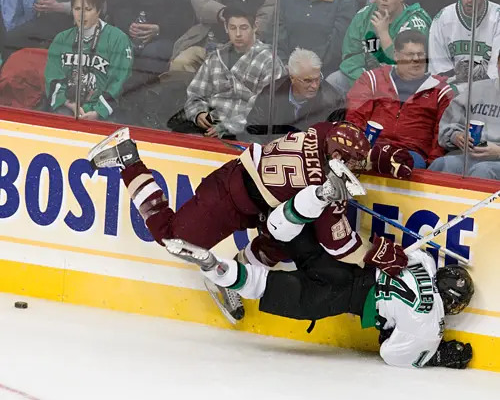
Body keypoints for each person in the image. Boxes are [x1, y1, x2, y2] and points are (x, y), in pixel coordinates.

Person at [87, 121, 414, 320]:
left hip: (263, 200)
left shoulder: (324, 133)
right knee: (171, 237)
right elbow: (339, 244)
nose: (357, 169)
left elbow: (347, 143)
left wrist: (378, 156)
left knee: (282, 242)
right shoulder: (324, 186)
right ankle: (126, 158)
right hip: (230, 197)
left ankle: (225, 277)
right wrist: (375, 253)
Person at [164, 220, 474, 369]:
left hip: (340, 267)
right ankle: (215, 266)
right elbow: (391, 355)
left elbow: (403, 255)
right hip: (333, 300)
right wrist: (437, 355)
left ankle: (282, 206)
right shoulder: (429, 325)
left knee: (296, 233)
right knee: (262, 287)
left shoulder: (425, 261)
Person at [346, 30, 455, 168]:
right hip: (372, 148)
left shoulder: (441, 91)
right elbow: (355, 117)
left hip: (412, 154)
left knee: (400, 164)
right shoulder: (372, 79)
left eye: (420, 54)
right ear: (396, 56)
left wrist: (431, 167)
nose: (416, 59)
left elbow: (441, 135)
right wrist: (358, 147)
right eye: (410, 55)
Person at [183, 6, 285, 139]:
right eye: (232, 28)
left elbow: (266, 111)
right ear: (226, 28)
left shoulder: (270, 62)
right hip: (208, 126)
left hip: (245, 133)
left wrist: (228, 126)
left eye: (243, 28)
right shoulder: (215, 57)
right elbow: (195, 94)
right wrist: (198, 114)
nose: (238, 34)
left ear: (255, 27)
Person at [45, 0, 133, 121]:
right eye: (77, 9)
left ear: (98, 10)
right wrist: (69, 103)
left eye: (87, 9)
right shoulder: (61, 39)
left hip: (105, 111)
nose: (81, 15)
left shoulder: (118, 39)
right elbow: (53, 76)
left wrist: (98, 112)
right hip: (68, 108)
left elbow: (119, 81)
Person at [327, 0, 431, 94]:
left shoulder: (415, 24)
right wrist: (367, 80)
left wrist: (383, 33)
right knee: (334, 81)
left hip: (400, 84)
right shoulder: (364, 15)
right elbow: (350, 55)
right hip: (366, 78)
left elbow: (406, 67)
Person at [244, 48, 345, 144]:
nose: (314, 86)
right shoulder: (270, 94)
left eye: (318, 79)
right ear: (292, 78)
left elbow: (335, 141)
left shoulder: (334, 101)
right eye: (307, 81)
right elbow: (253, 131)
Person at [170, 0, 276, 73]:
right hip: (208, 42)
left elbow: (264, 22)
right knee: (182, 62)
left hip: (246, 50)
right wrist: (221, 12)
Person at [429, 53, 500, 179]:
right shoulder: (476, 89)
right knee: (441, 165)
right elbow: (448, 126)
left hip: (495, 162)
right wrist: (457, 137)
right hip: (469, 156)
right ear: (498, 63)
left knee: (482, 171)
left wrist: (498, 152)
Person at [3, 0, 108, 61]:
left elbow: (96, 7)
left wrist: (59, 6)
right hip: (46, 21)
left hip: (74, 23)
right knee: (10, 39)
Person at [428, 0, 500, 92]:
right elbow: (439, 71)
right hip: (453, 95)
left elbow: (496, 73)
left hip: (489, 95)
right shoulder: (443, 19)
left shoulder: (497, 17)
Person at [274, 0, 357, 77]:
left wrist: (310, 68)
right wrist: (285, 63)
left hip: (324, 73)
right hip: (286, 69)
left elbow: (337, 44)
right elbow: (275, 33)